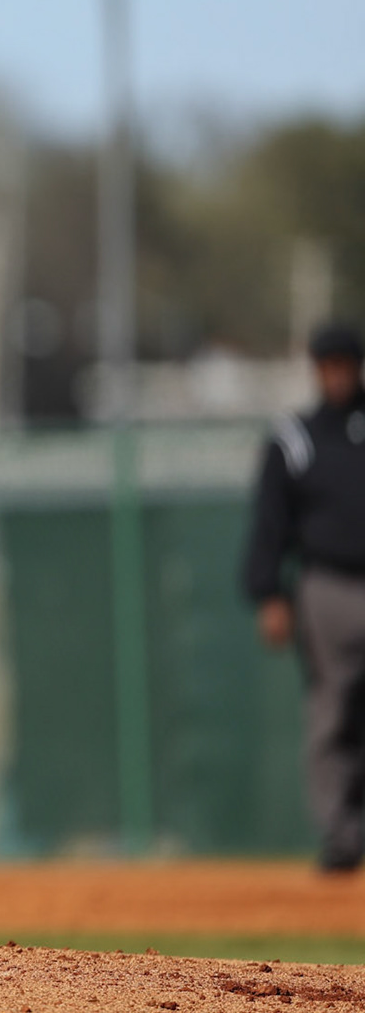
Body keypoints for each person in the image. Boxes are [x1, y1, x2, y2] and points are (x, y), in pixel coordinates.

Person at [245, 320, 365, 872]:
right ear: (316, 370)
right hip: (328, 585)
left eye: (346, 363)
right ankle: (341, 836)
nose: (338, 374)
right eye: (328, 364)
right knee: (332, 709)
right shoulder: (296, 437)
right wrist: (269, 591)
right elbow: (270, 520)